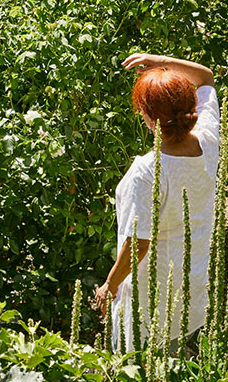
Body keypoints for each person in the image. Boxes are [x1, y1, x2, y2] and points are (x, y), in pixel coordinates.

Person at [94, 53, 220, 353]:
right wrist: (161, 62)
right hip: (190, 290)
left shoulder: (148, 171)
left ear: (149, 117)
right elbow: (206, 78)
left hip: (147, 307)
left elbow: (138, 243)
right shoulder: (208, 139)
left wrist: (107, 288)